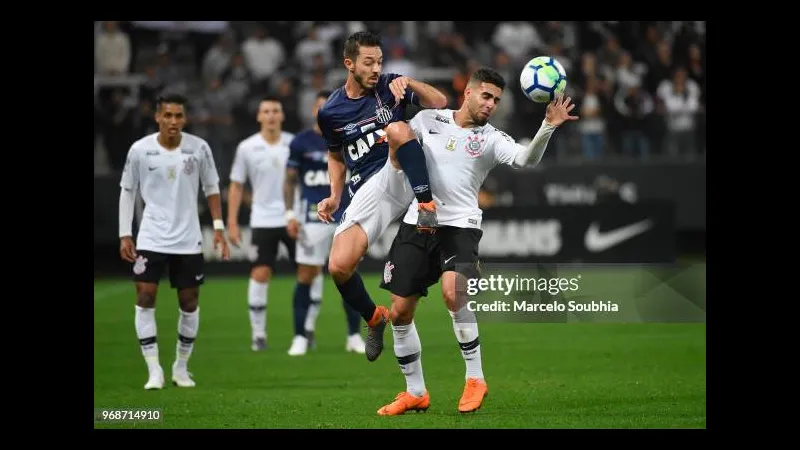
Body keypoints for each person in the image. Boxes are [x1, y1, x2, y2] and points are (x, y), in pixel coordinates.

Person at [376, 68, 579, 415]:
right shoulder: (427, 120)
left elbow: (525, 159)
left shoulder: (492, 138)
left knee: (454, 293)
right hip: (417, 222)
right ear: (467, 93)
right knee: (399, 311)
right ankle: (414, 392)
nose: (490, 105)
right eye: (486, 96)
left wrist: (547, 127)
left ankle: (475, 378)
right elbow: (399, 157)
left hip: (461, 226)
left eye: (496, 100)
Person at [315, 30, 448, 362]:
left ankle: (427, 205)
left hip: (402, 169)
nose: (376, 69)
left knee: (399, 128)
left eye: (380, 62)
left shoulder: (392, 86)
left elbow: (440, 103)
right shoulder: (331, 112)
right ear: (350, 64)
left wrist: (410, 82)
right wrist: (334, 195)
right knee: (339, 266)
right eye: (368, 62)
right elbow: (335, 155)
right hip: (369, 189)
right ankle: (373, 317)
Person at [118, 92, 231, 390]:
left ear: (185, 118)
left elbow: (212, 187)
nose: (173, 121)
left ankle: (181, 367)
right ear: (157, 117)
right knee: (144, 298)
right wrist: (124, 233)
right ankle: (153, 370)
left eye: (178, 116)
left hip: (188, 238)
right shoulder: (140, 150)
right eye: (167, 115)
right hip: (151, 237)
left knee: (189, 302)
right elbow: (128, 190)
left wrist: (218, 226)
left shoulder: (199, 148)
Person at [284, 90, 365, 356]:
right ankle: (299, 337)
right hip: (311, 217)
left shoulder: (348, 136)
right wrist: (289, 214)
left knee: (347, 273)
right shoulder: (301, 142)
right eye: (320, 107)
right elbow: (290, 180)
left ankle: (353, 335)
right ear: (314, 111)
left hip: (345, 216)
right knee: (306, 276)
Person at [227, 96, 296, 351]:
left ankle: (305, 331)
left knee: (307, 273)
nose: (270, 115)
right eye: (265, 111)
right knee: (260, 272)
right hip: (262, 219)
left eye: (275, 111)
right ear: (258, 116)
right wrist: (232, 223)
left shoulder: (293, 143)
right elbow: (236, 185)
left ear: (282, 115)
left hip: (293, 218)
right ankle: (258, 334)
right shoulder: (247, 147)